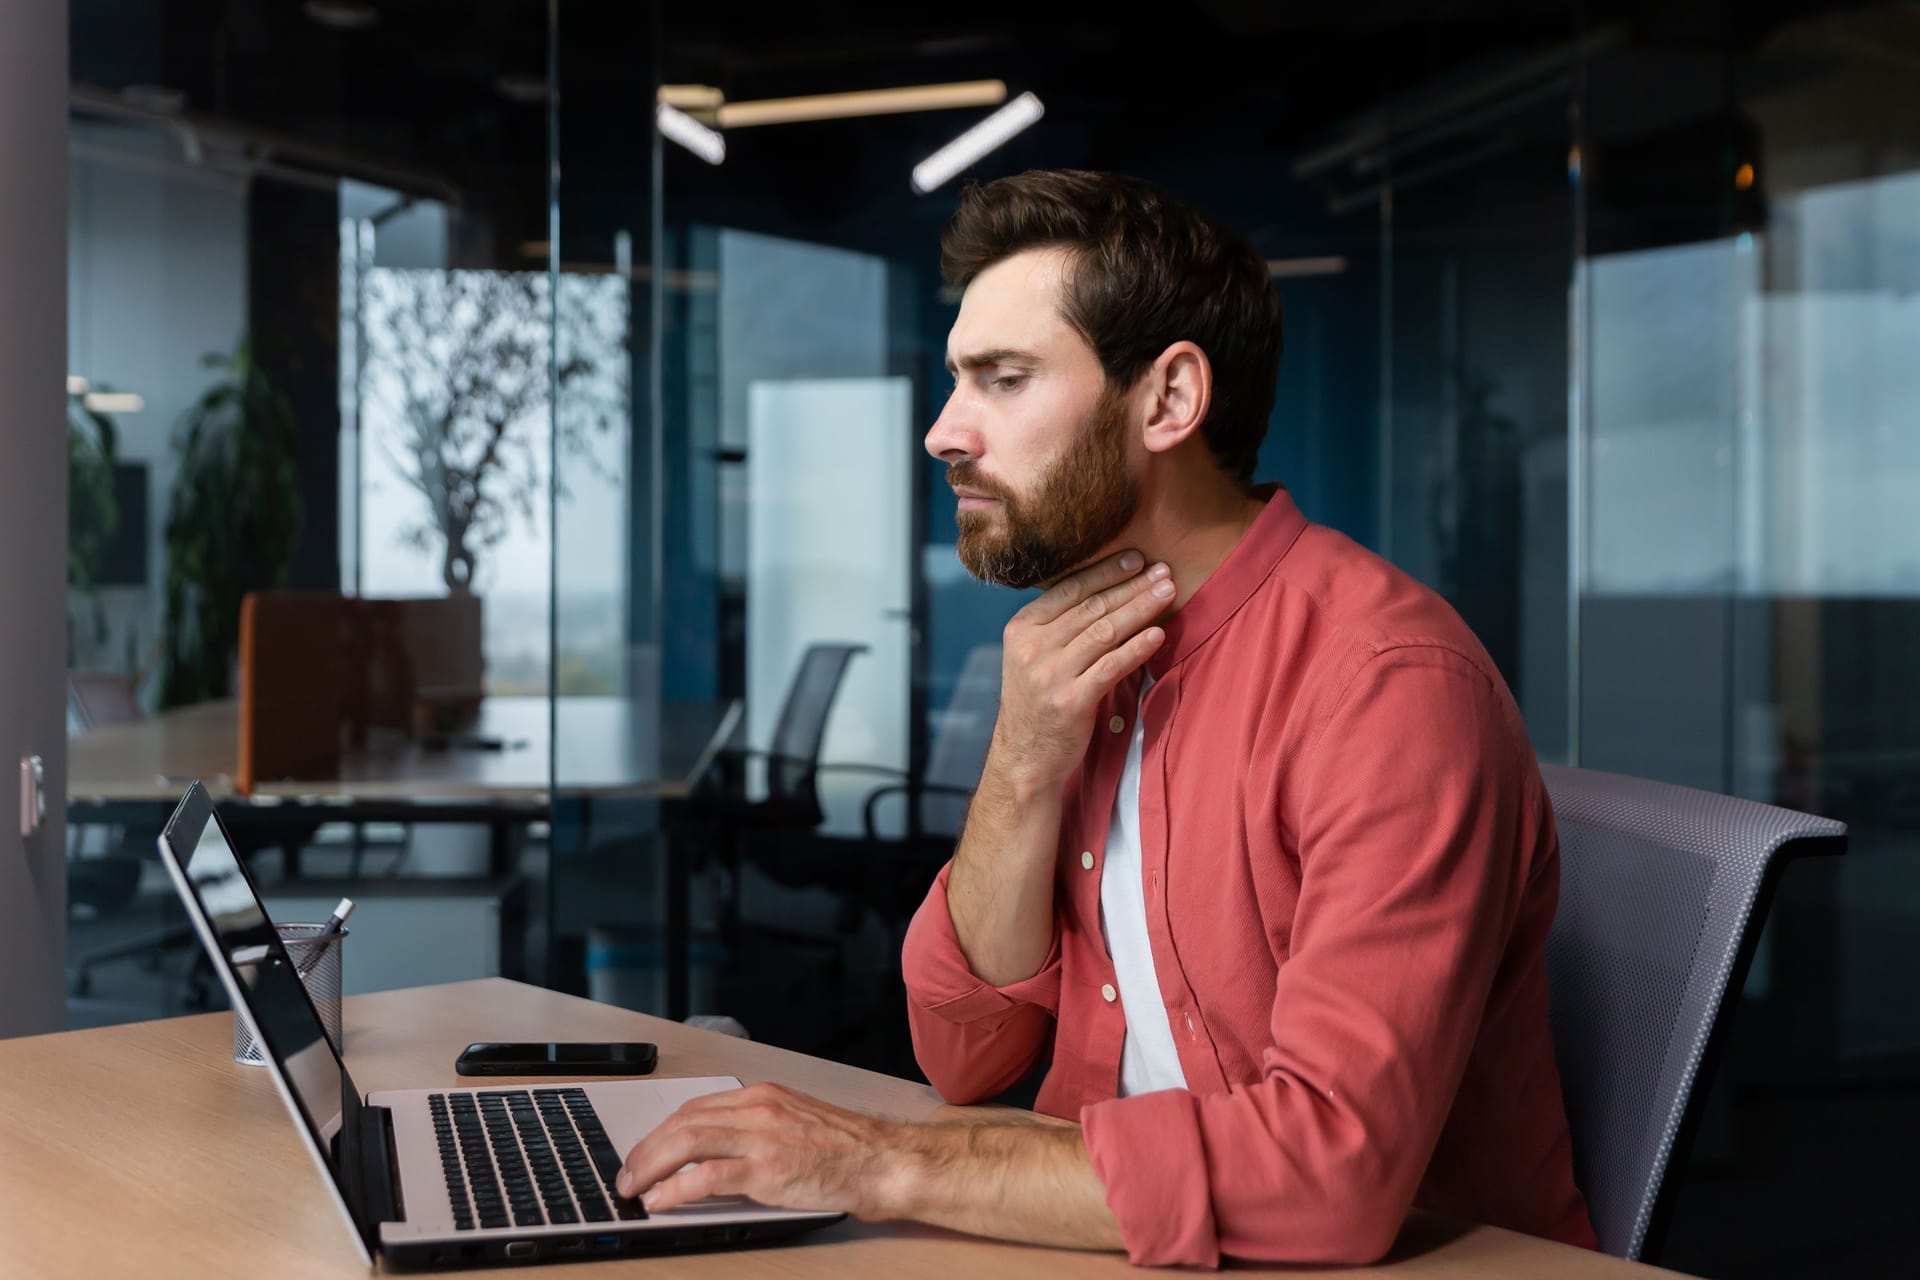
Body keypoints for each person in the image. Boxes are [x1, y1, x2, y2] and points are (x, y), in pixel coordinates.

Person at [615, 169, 1597, 1267]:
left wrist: (880, 1161)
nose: (943, 431)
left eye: (1004, 378)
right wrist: (1024, 756)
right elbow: (963, 1050)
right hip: (1112, 1240)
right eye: (957, 381)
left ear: (1169, 401)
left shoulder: (1386, 686)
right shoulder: (1083, 651)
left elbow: (1332, 1174)